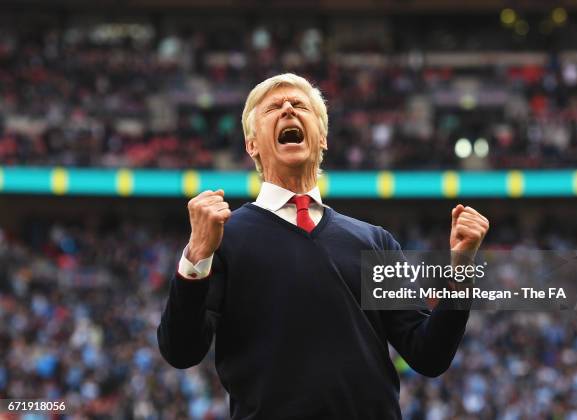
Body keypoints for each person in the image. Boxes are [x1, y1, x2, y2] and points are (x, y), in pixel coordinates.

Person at [157, 73, 489, 419]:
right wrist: (197, 254)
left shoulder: (374, 241)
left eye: (300, 105)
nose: (288, 108)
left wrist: (462, 269)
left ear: (323, 139)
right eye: (273, 107)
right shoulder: (224, 238)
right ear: (251, 144)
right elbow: (181, 352)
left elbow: (429, 355)